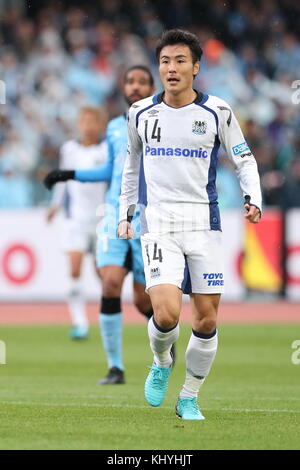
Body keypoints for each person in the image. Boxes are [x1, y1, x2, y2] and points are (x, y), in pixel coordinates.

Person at [118, 29, 262, 420]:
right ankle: (162, 362)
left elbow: (243, 158)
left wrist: (253, 198)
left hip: (204, 224)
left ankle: (189, 396)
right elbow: (131, 166)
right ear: (159, 68)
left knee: (207, 318)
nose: (172, 68)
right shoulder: (141, 114)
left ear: (196, 67)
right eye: (165, 61)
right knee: (165, 314)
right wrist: (124, 213)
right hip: (159, 223)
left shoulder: (218, 111)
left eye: (181, 61)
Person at [45, 66, 173, 385]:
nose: (135, 86)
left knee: (146, 301)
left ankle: (164, 348)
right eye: (130, 81)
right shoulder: (115, 128)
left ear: (151, 86)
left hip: (150, 221)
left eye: (142, 82)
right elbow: (109, 170)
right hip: (115, 216)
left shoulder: (169, 123)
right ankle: (115, 367)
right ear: (124, 87)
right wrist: (69, 174)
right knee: (109, 283)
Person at [46, 107, 108, 340]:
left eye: (92, 120)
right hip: (76, 218)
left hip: (101, 218)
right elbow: (62, 179)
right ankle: (80, 322)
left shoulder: (105, 149)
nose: (87, 125)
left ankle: (106, 319)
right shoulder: (69, 149)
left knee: (103, 275)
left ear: (100, 124)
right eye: (84, 120)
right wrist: (55, 205)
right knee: (74, 268)